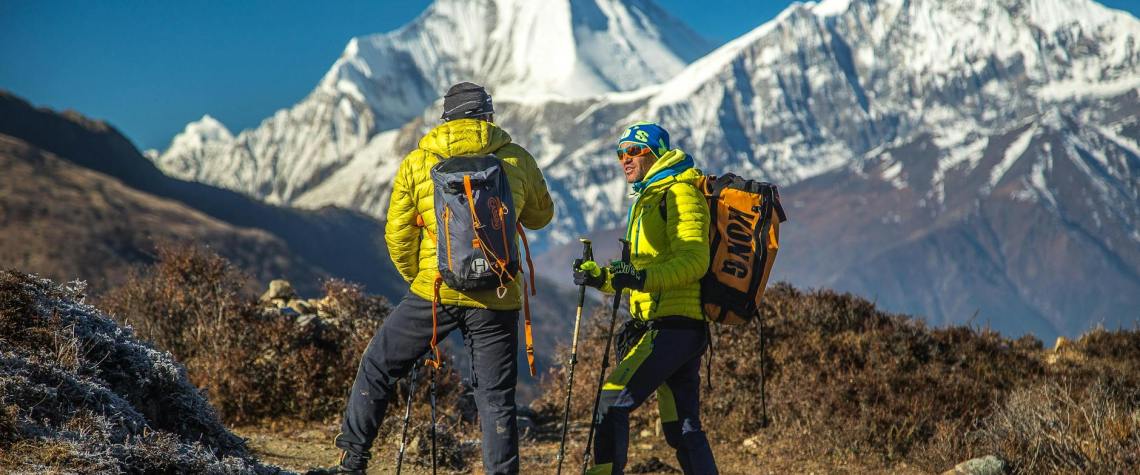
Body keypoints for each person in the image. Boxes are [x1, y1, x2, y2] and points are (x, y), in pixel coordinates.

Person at [309, 82, 554, 475]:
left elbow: (398, 234)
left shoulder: (418, 162)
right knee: (495, 399)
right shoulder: (516, 159)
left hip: (435, 291)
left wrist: (423, 278)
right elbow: (542, 217)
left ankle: (352, 463)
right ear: (488, 117)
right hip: (499, 293)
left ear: (446, 119)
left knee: (377, 365)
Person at [574, 122, 716, 475]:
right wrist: (601, 277)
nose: (625, 159)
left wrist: (641, 278)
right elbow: (639, 272)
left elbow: (694, 261)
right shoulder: (648, 197)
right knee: (682, 426)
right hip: (674, 327)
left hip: (671, 327)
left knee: (611, 399)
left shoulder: (679, 193)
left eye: (634, 151)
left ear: (656, 153)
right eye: (620, 153)